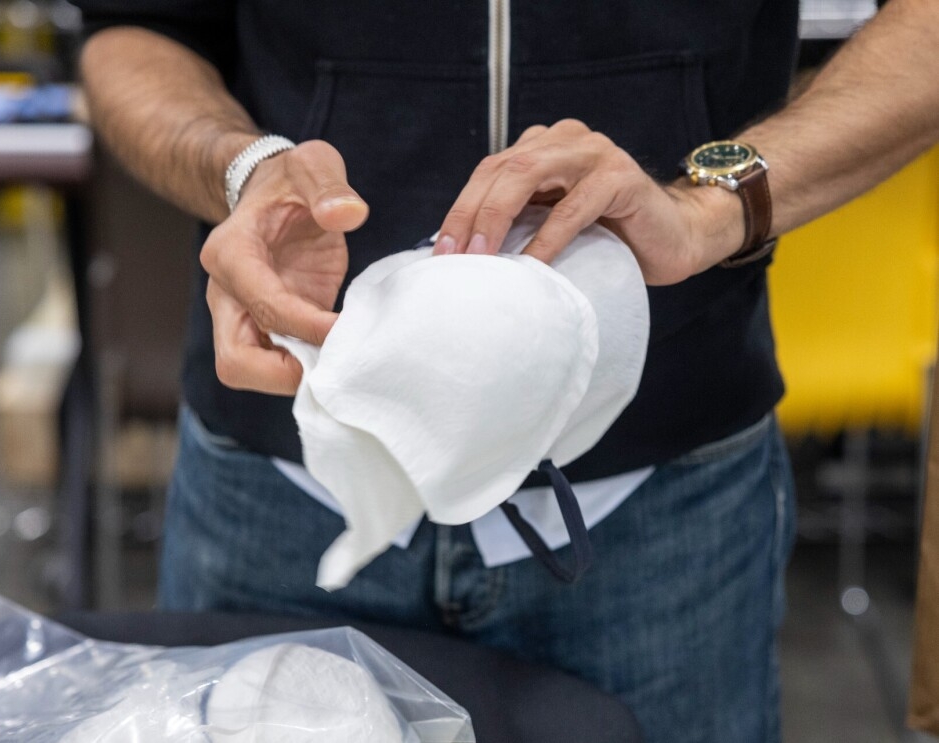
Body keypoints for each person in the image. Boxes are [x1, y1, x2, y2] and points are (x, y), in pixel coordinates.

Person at [73, 1, 939, 740]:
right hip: (284, 486)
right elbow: (136, 29)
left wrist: (717, 202)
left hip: (661, 502)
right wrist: (242, 167)